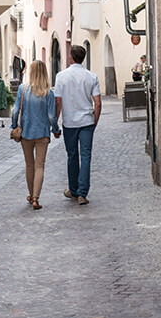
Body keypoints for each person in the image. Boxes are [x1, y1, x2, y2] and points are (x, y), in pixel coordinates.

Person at [54, 44, 101, 205]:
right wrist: (94, 121)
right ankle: (82, 193)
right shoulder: (91, 77)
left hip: (70, 122)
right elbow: (98, 103)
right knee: (86, 156)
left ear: (71, 57)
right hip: (87, 121)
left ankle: (73, 190)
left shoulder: (61, 76)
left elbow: (58, 101)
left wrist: (55, 122)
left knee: (72, 155)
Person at [10, 60, 60, 210]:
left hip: (26, 133)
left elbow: (14, 111)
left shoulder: (22, 89)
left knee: (29, 165)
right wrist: (56, 130)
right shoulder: (49, 92)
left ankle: (31, 194)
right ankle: (36, 199)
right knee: (40, 166)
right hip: (42, 134)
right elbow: (51, 116)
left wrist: (14, 126)